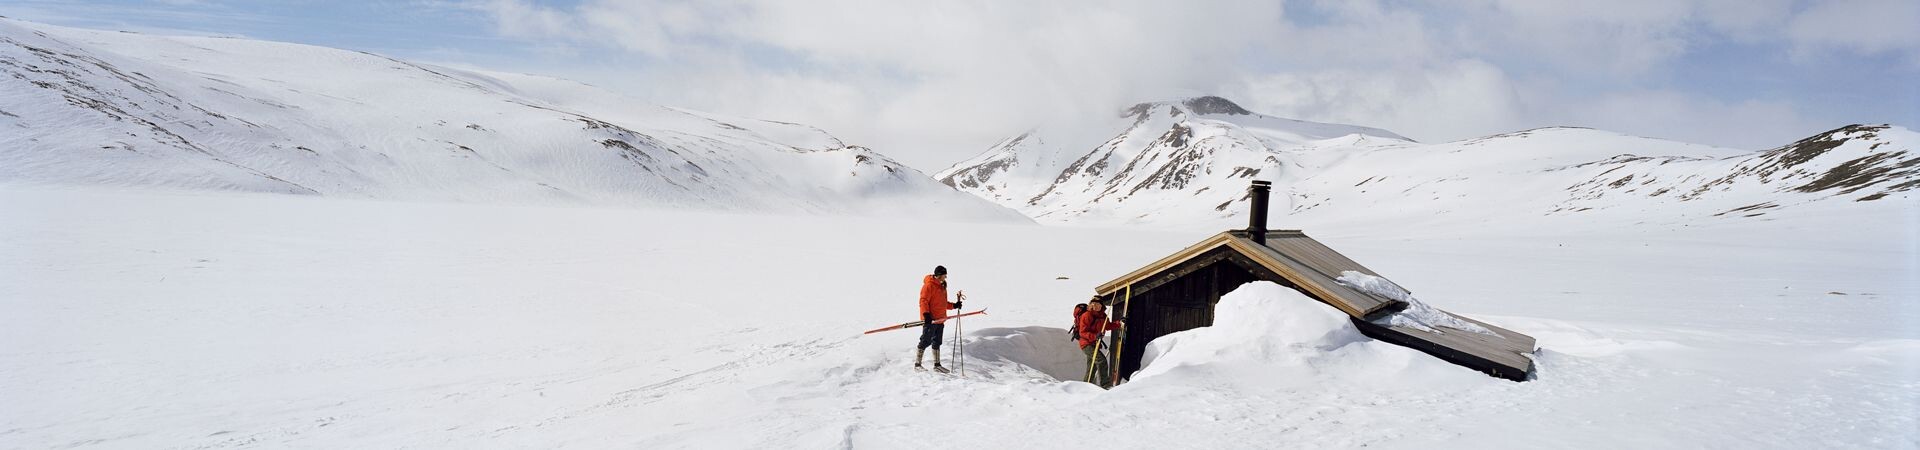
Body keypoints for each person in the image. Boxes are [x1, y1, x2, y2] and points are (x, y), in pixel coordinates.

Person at [916, 265, 964, 372]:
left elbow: (943, 303)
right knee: (925, 340)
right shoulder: (929, 286)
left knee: (937, 341)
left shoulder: (942, 287)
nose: (945, 277)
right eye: (944, 275)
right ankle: (917, 365)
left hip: (940, 319)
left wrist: (954, 305)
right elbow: (923, 301)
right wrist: (926, 315)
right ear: (938, 275)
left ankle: (937, 365)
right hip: (931, 319)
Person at [1076, 297, 1124, 386]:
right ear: (1091, 305)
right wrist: (1095, 336)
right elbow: (1082, 332)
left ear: (1102, 305)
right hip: (1086, 344)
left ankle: (1085, 386)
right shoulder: (1087, 315)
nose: (1096, 306)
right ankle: (1105, 385)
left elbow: (1108, 326)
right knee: (1101, 361)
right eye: (1094, 304)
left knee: (1092, 367)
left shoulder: (1103, 316)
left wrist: (1119, 323)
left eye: (1098, 304)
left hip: (1095, 343)